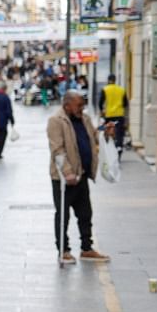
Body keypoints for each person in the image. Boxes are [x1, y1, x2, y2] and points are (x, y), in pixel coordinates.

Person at [49, 93, 111, 264]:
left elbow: (93, 136)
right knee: (63, 215)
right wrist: (67, 172)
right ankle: (63, 250)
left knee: (85, 214)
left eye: (83, 105)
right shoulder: (56, 121)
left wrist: (105, 132)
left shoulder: (84, 118)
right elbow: (57, 149)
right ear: (67, 105)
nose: (81, 109)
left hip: (82, 174)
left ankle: (87, 248)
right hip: (63, 178)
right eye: (78, 105)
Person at [98, 73, 129, 158]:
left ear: (108, 80)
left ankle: (109, 149)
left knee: (108, 132)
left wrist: (101, 111)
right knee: (119, 133)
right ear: (115, 80)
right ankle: (119, 147)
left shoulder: (105, 89)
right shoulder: (121, 90)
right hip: (119, 115)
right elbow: (125, 104)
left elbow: (100, 103)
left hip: (109, 115)